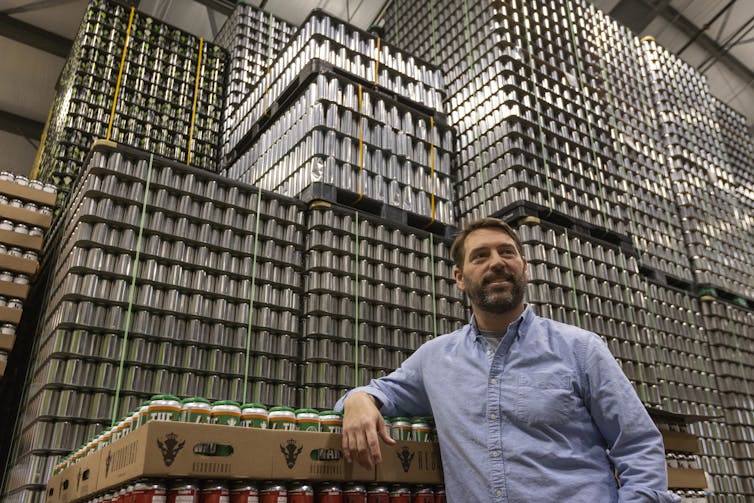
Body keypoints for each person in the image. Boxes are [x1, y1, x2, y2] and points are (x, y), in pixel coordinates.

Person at [335, 217, 679, 502]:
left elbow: (637, 445)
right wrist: (359, 399)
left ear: (523, 267)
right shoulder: (435, 360)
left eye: (507, 253)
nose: (497, 262)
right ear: (459, 278)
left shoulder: (581, 348)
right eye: (480, 256)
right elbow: (383, 392)